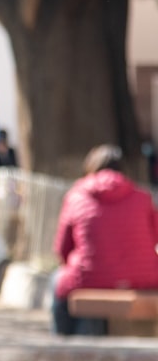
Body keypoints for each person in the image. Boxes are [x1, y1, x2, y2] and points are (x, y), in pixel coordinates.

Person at [51, 144, 158, 336]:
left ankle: (62, 344)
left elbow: (62, 249)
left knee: (57, 281)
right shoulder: (143, 197)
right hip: (142, 279)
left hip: (89, 277)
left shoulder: (76, 196)